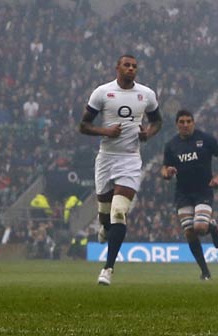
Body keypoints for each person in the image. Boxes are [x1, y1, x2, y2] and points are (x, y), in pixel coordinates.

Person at [78, 52, 161, 286]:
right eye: (127, 65)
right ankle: (104, 228)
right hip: (106, 159)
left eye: (134, 66)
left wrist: (148, 134)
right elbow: (83, 125)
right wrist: (105, 131)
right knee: (104, 214)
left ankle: (108, 269)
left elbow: (158, 121)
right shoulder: (102, 92)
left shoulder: (146, 94)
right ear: (117, 68)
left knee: (118, 212)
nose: (131, 69)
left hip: (130, 160)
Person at [160, 108, 218, 282]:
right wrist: (167, 173)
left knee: (200, 228)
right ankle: (205, 272)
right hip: (183, 192)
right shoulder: (171, 145)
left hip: (203, 190)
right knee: (189, 233)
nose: (185, 125)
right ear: (177, 124)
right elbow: (164, 168)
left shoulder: (206, 139)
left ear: (193, 122)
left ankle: (212, 227)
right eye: (182, 122)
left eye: (188, 121)